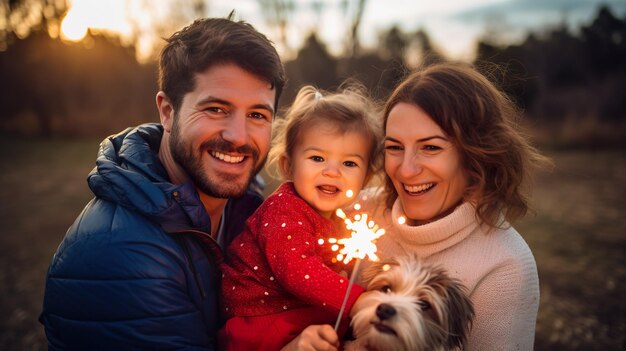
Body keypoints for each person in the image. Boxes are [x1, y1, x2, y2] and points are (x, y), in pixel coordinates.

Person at [38, 16, 333, 350]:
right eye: (217, 109)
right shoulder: (120, 258)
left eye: (257, 115)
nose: (238, 136)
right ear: (167, 111)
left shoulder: (248, 208)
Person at [355, 62, 549, 350]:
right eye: (394, 147)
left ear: (475, 155)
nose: (406, 170)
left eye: (431, 147)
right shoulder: (359, 213)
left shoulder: (506, 266)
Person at [217, 85, 383, 351]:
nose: (332, 172)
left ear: (367, 178)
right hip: (258, 321)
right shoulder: (284, 209)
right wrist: (359, 300)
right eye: (318, 158)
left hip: (299, 316)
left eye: (349, 163)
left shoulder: (343, 222)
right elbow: (297, 270)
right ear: (288, 166)